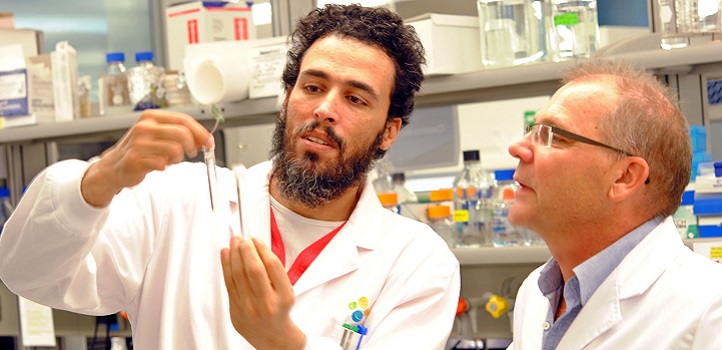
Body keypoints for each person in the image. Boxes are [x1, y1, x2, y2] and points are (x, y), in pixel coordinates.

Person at [0, 4, 460, 349]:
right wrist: (101, 177)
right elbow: (27, 274)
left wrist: (283, 341)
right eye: (313, 87)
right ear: (287, 98)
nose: (323, 109)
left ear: (388, 132)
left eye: (356, 99)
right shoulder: (178, 200)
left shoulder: (416, 261)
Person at [506, 58, 722, 349]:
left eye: (553, 135)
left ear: (624, 177)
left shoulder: (709, 309)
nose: (517, 147)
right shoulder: (536, 292)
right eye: (531, 129)